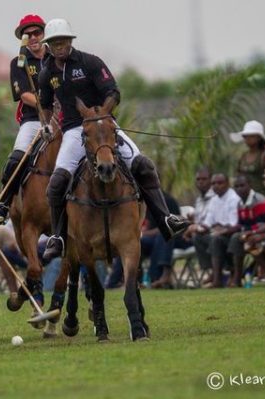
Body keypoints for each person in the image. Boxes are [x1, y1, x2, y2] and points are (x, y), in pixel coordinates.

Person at [37, 18, 190, 261]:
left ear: (70, 41)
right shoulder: (47, 73)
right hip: (74, 131)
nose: (59, 46)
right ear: (49, 45)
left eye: (63, 41)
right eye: (54, 43)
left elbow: (113, 91)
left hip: (103, 125)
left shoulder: (90, 62)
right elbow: (44, 104)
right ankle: (58, 237)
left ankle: (165, 219)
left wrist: (102, 115)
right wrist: (46, 125)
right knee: (56, 182)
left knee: (143, 165)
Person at [0, 14, 49, 220]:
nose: (33, 37)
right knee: (17, 158)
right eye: (27, 34)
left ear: (44, 34)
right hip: (34, 120)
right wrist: (47, 102)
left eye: (37, 33)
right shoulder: (19, 62)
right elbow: (24, 95)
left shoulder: (58, 57)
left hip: (63, 119)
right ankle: (4, 202)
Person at [191, 173, 241, 288]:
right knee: (197, 237)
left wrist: (220, 230)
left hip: (231, 235)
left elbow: (234, 224)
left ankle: (217, 278)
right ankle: (214, 272)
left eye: (220, 183)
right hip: (217, 234)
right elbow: (208, 223)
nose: (216, 186)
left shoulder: (233, 198)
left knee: (215, 239)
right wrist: (195, 228)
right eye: (213, 183)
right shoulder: (214, 200)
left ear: (227, 184)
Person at [226, 175, 265, 287]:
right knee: (236, 238)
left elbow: (262, 224)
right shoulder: (240, 203)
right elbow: (242, 224)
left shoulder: (259, 200)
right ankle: (237, 277)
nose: (239, 189)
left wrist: (244, 231)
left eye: (242, 185)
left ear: (249, 185)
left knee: (238, 238)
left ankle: (237, 277)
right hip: (250, 234)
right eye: (236, 186)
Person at [230, 120, 265, 195]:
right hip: (244, 195)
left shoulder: (264, 154)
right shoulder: (243, 155)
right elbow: (237, 174)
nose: (247, 139)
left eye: (251, 136)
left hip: (261, 195)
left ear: (259, 138)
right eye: (245, 136)